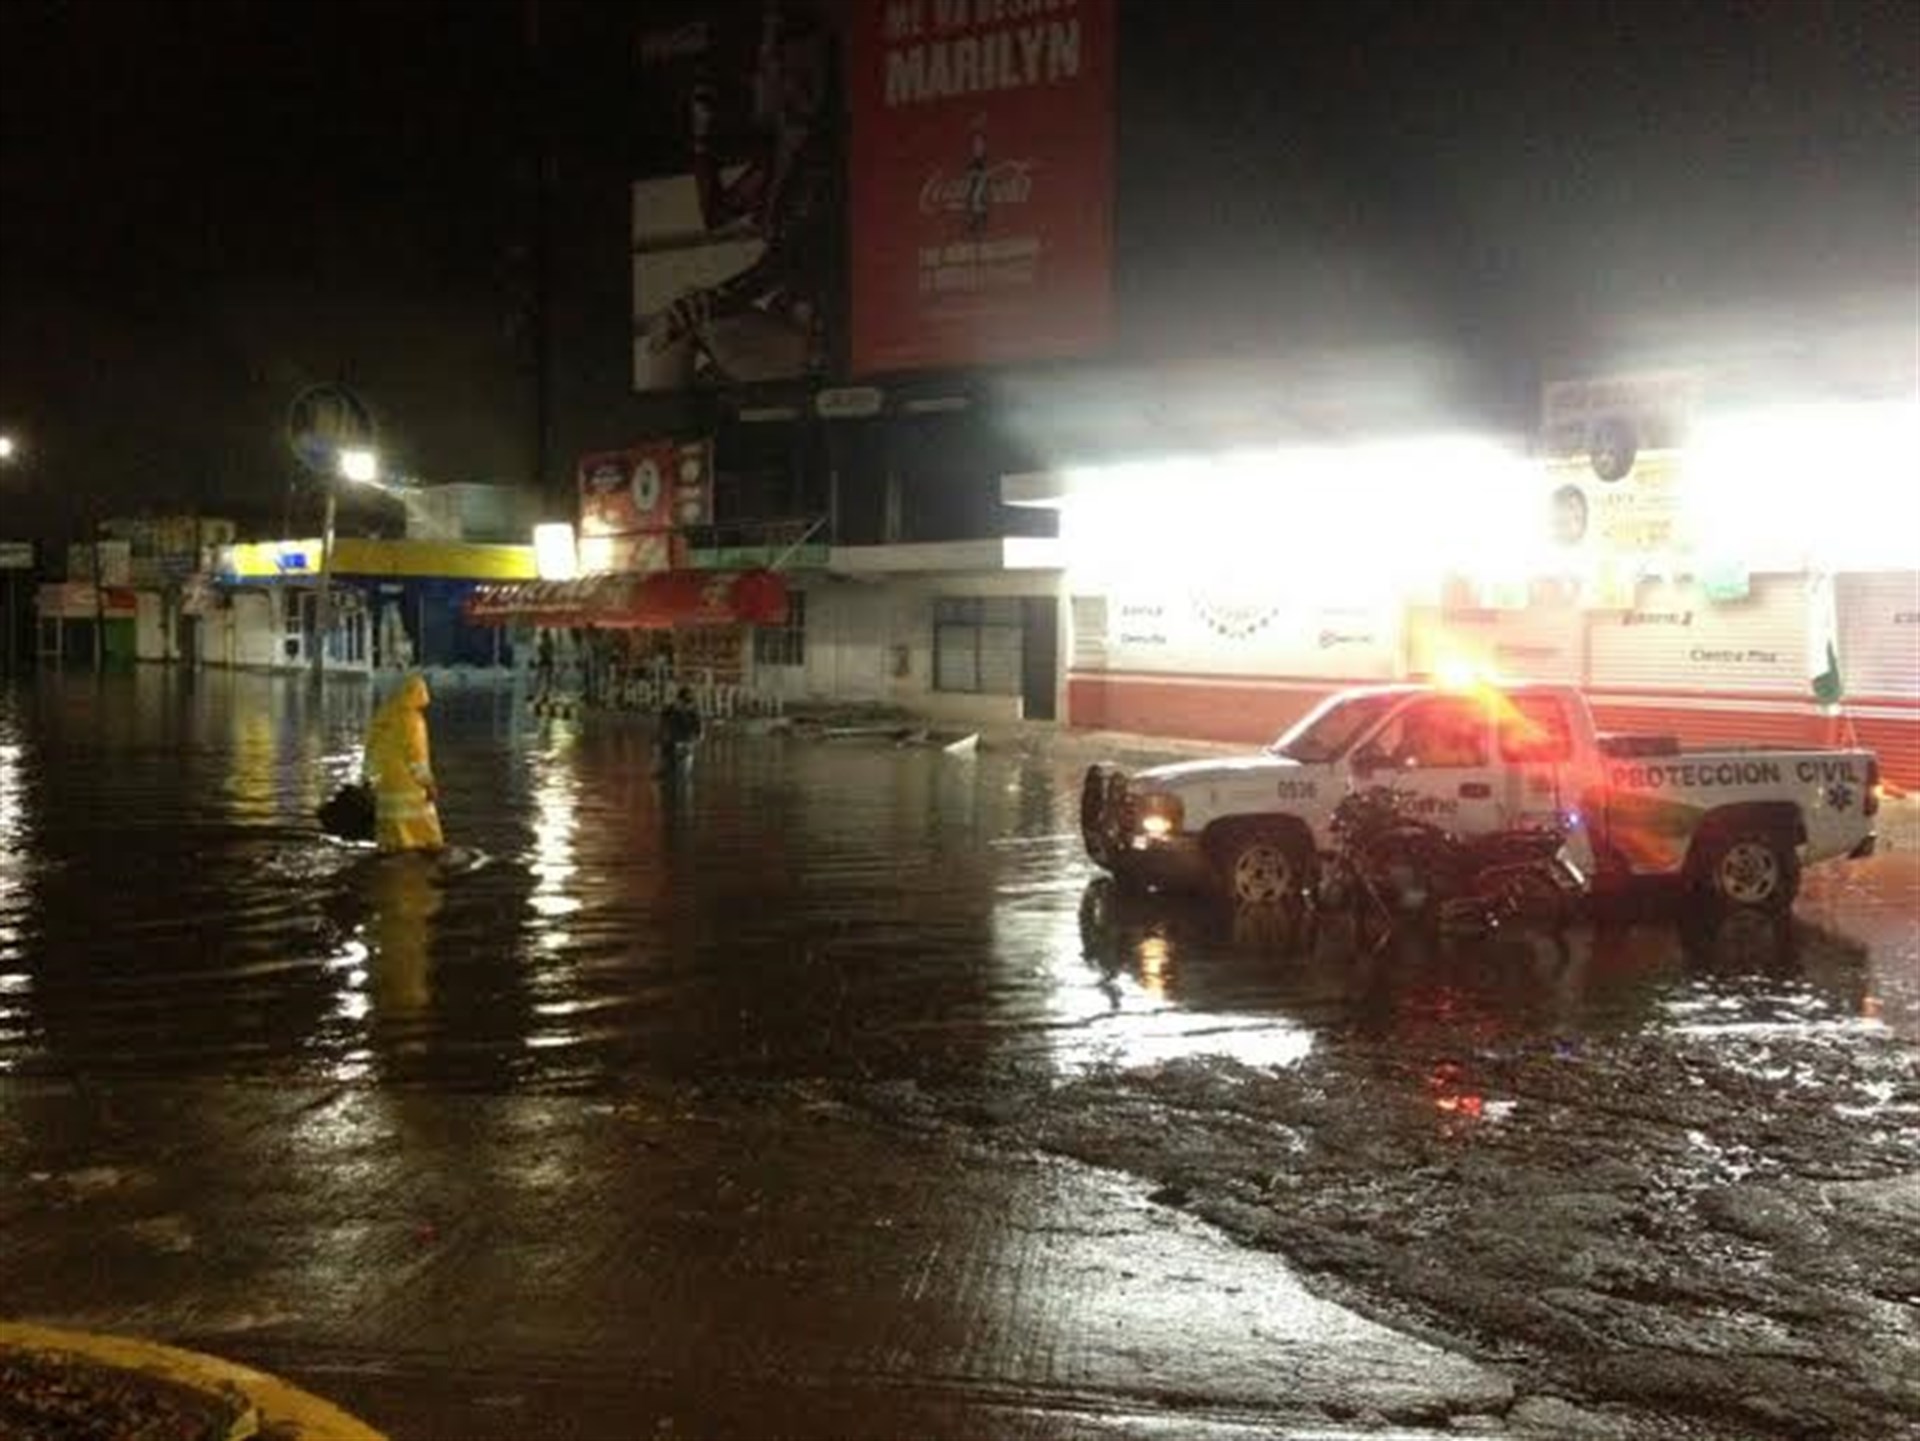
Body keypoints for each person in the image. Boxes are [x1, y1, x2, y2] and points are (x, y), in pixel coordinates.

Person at [365, 673, 444, 853]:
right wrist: (428, 784)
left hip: (386, 784)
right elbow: (417, 758)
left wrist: (369, 776)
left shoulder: (385, 714)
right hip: (409, 785)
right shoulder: (413, 721)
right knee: (424, 835)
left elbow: (371, 748)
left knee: (392, 838)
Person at [659, 685, 704, 771]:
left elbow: (699, 729)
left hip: (685, 744)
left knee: (683, 771)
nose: (687, 705)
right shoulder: (671, 710)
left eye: (689, 702)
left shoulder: (693, 713)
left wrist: (698, 736)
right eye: (685, 702)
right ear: (679, 700)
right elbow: (663, 725)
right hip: (674, 744)